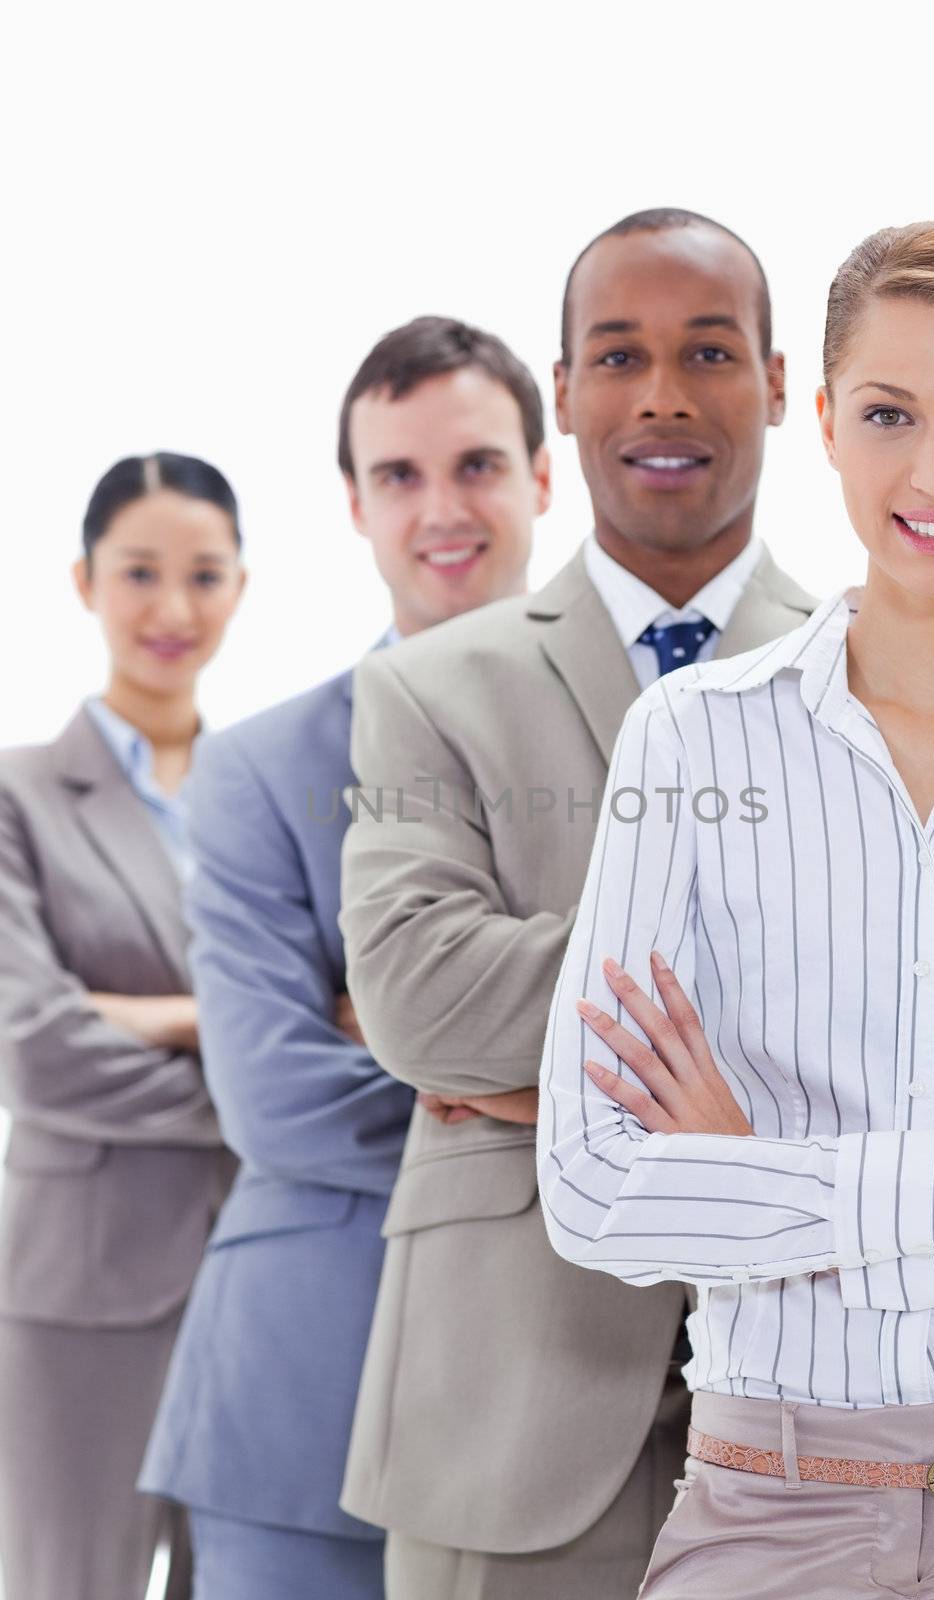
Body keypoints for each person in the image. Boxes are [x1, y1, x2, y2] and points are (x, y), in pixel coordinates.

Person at [538, 218, 934, 1600]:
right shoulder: (690, 744)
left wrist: (755, 1180)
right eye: (888, 413)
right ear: (823, 421)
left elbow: (672, 1203)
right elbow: (593, 1189)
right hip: (762, 1508)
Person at [339, 209, 816, 1598]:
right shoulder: (428, 687)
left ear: (778, 385)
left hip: (822, 1401)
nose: (660, 394)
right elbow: (420, 998)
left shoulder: (882, 682)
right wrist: (769, 995)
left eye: (707, 352)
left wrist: (546, 1078)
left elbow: (929, 1023)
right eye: (617, 355)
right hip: (503, 1403)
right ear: (563, 395)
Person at [139, 315, 550, 1600]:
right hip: (302, 1393)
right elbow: (271, 1093)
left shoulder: (652, 748)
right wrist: (574, 1107)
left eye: (477, 464)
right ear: (355, 506)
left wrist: (411, 1029)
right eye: (399, 475)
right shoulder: (261, 770)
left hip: (564, 1407)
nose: (442, 508)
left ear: (545, 476)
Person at [0, 452, 246, 1600]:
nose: (172, 608)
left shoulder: (273, 789)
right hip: (83, 1294)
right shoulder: (19, 794)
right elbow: (33, 1048)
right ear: (83, 580)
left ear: (240, 586)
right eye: (139, 572)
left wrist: (148, 1017)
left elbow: (350, 1026)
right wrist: (243, 1050)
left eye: (203, 574)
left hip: (260, 1272)